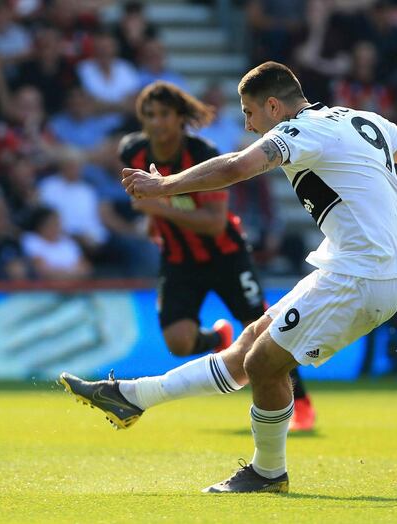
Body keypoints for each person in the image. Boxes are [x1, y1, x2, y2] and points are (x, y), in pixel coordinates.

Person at [60, 62, 397, 493]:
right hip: (354, 268)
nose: (249, 125)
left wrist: (163, 186)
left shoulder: (301, 130)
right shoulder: (360, 118)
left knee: (263, 364)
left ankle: (268, 472)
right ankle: (131, 397)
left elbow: (234, 167)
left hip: (361, 276)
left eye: (250, 113)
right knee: (249, 345)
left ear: (273, 105)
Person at [118, 81, 315, 432]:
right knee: (179, 343)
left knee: (268, 331)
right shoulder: (133, 152)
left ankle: (300, 403)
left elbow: (213, 223)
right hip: (178, 259)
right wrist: (154, 217)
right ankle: (217, 341)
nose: (156, 122)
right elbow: (149, 202)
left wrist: (158, 210)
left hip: (227, 257)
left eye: (164, 114)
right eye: (149, 115)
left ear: (180, 118)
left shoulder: (202, 153)